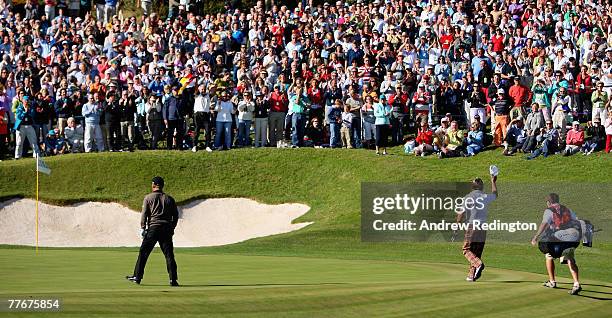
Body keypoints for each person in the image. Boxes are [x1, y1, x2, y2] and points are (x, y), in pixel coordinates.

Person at [126, 176, 179, 287]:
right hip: (166, 229)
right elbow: (176, 216)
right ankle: (173, 280)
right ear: (162, 185)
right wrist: (172, 228)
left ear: (154, 184)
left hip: (153, 229)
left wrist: (143, 228)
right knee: (169, 255)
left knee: (143, 253)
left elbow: (144, 214)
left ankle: (137, 277)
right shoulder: (169, 198)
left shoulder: (148, 198)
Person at [530, 193, 582, 295]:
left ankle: (552, 282)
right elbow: (577, 222)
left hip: (559, 238)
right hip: (572, 238)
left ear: (548, 202)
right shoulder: (567, 209)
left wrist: (536, 237)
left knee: (548, 254)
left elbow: (544, 224)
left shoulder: (549, 210)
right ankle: (576, 284)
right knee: (570, 258)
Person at [456, 175, 498, 282]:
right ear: (482, 187)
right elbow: (495, 194)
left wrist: (457, 225)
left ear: (472, 187)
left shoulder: (468, 197)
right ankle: (472, 275)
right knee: (476, 252)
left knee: (466, 250)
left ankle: (479, 265)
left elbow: (461, 213)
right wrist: (493, 181)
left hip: (472, 226)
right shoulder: (484, 196)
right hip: (483, 227)